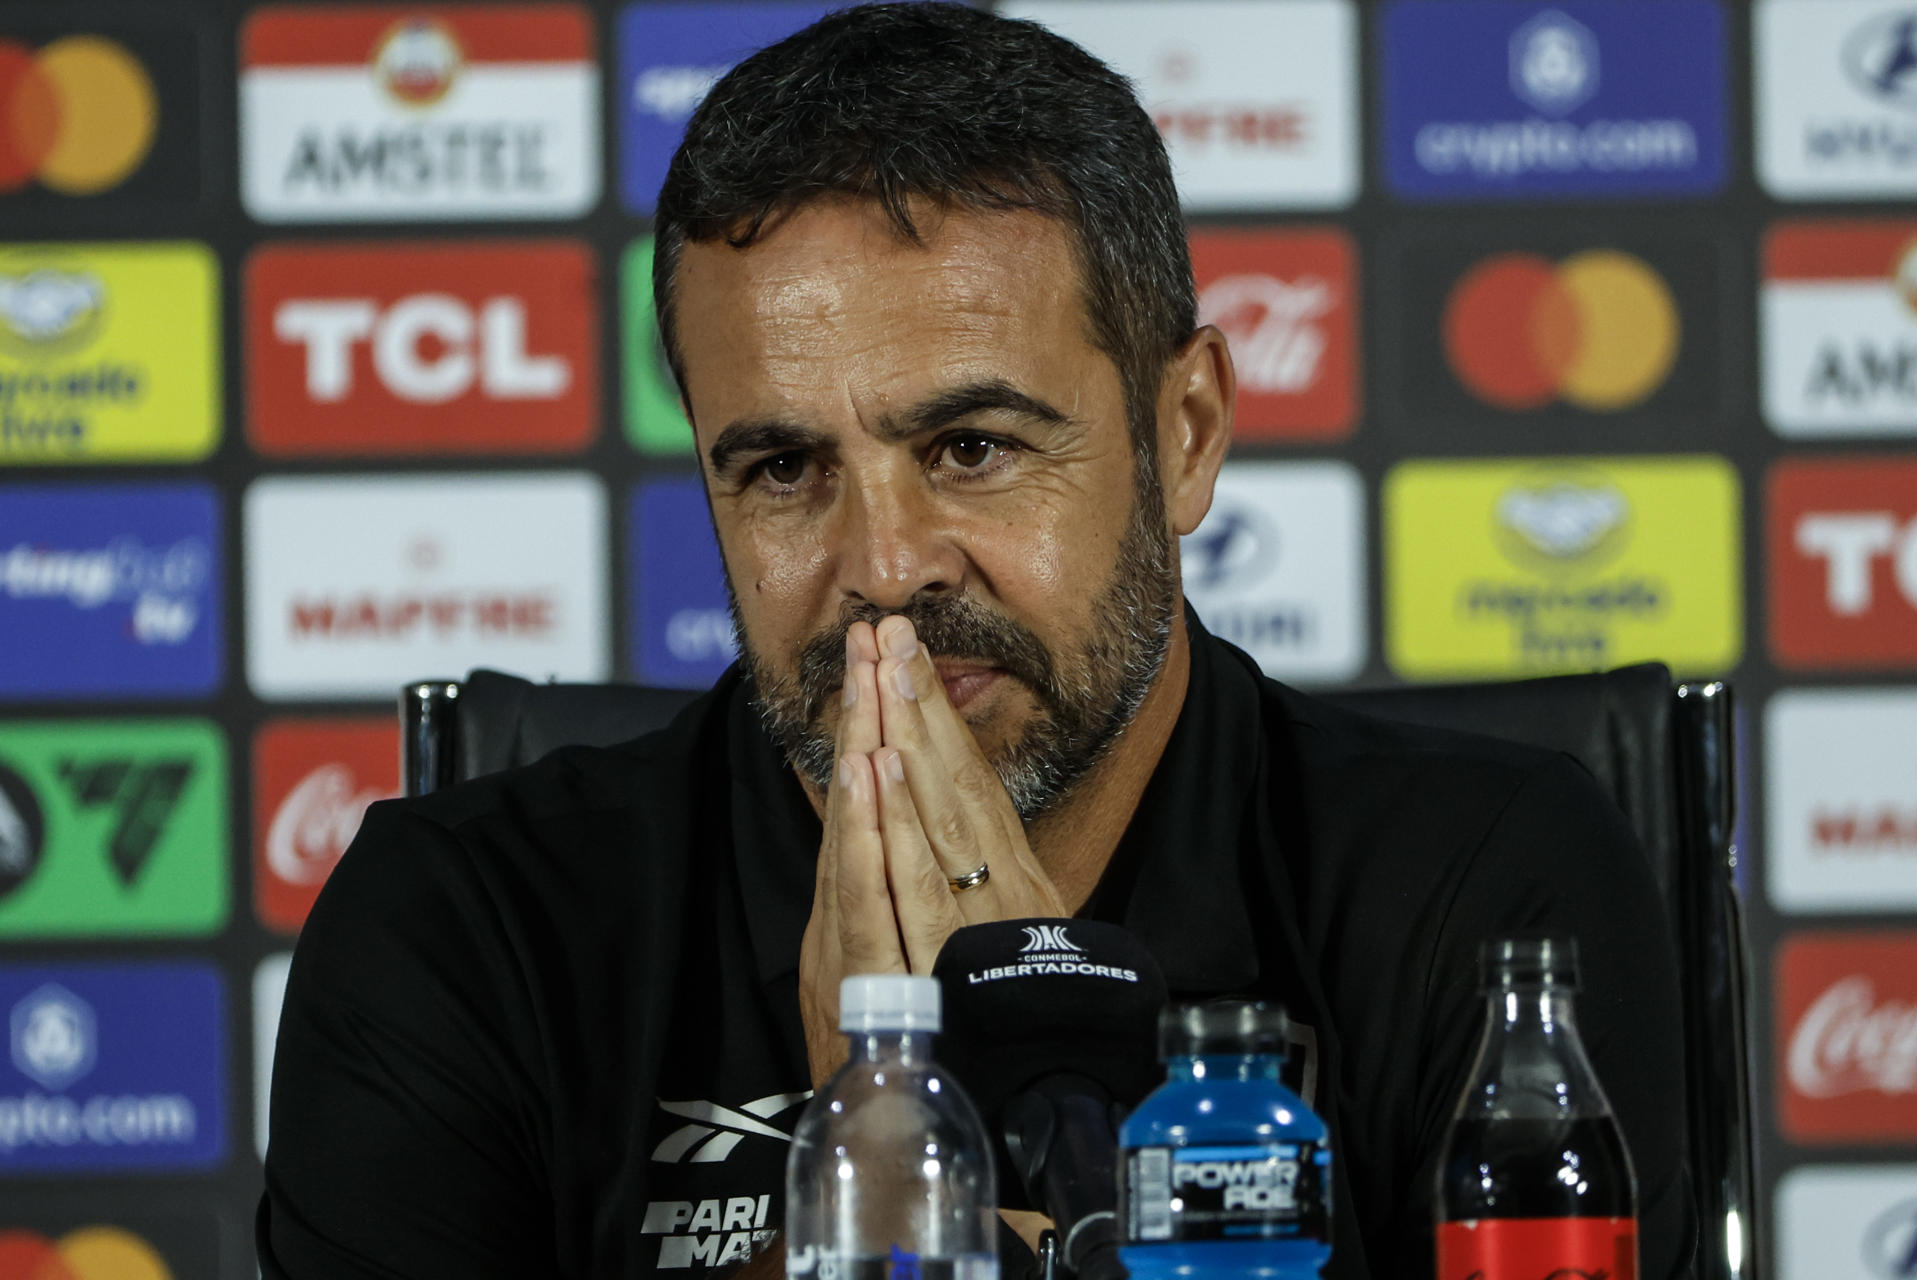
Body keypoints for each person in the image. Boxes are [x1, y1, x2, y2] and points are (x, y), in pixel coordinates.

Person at [256, 6, 1695, 1279]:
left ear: (1183, 433)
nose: (885, 568)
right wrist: (874, 1183)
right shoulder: (459, 930)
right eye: (781, 472)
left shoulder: (1497, 903)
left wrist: (998, 1132)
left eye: (971, 446)